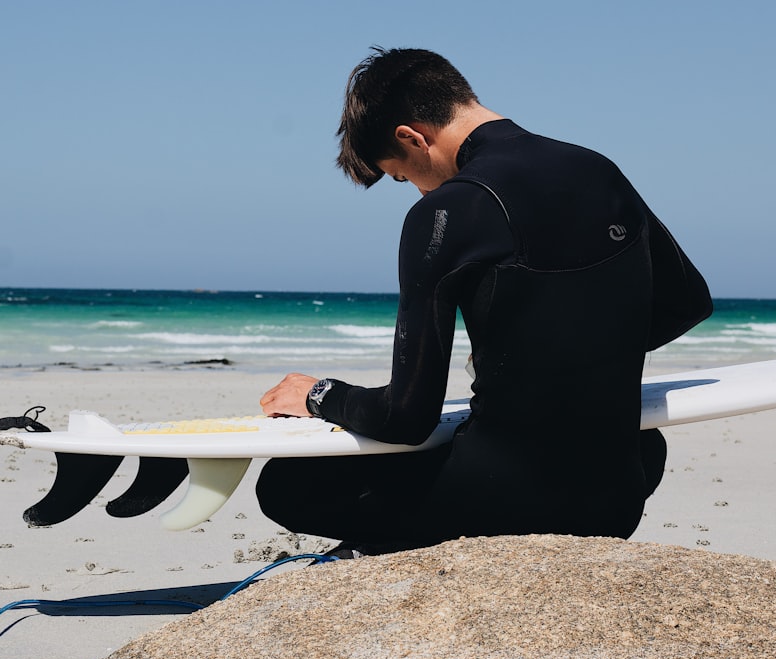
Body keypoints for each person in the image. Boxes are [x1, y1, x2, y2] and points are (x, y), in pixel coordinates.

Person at [256, 47, 712, 557]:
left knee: (284, 485)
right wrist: (571, 358)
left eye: (404, 177)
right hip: (620, 496)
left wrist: (321, 394)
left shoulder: (449, 210)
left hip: (504, 501)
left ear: (412, 138)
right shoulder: (596, 167)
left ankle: (402, 547)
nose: (416, 193)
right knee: (642, 441)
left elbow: (406, 419)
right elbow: (687, 302)